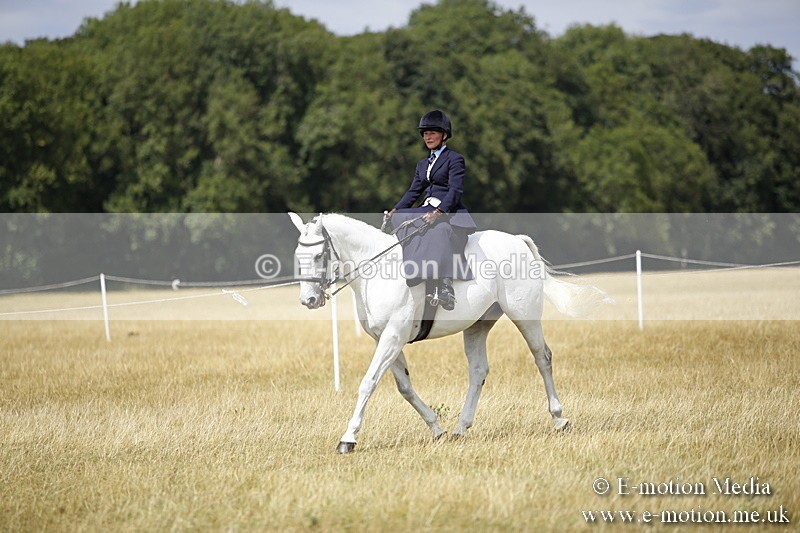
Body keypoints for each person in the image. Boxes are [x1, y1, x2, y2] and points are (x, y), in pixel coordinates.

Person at [383, 110, 476, 311]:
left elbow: (455, 190)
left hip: (449, 211)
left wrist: (439, 211)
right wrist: (395, 210)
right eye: (425, 133)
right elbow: (414, 191)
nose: (428, 137)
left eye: (433, 133)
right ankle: (415, 270)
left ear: (444, 135)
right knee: (400, 220)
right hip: (426, 208)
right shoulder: (423, 164)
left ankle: (445, 287)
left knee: (439, 230)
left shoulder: (454, 159)